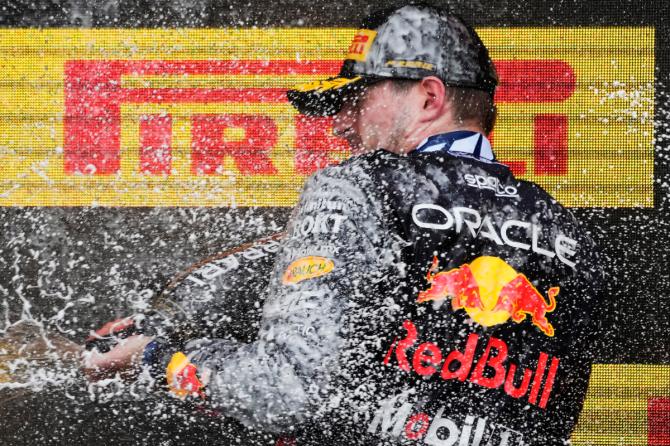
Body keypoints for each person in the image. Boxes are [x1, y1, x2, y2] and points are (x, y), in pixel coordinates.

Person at [84, 4, 605, 445]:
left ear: (429, 97)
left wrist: (156, 356)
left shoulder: (363, 184)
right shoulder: (568, 233)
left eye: (357, 99)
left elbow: (285, 392)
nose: (339, 123)